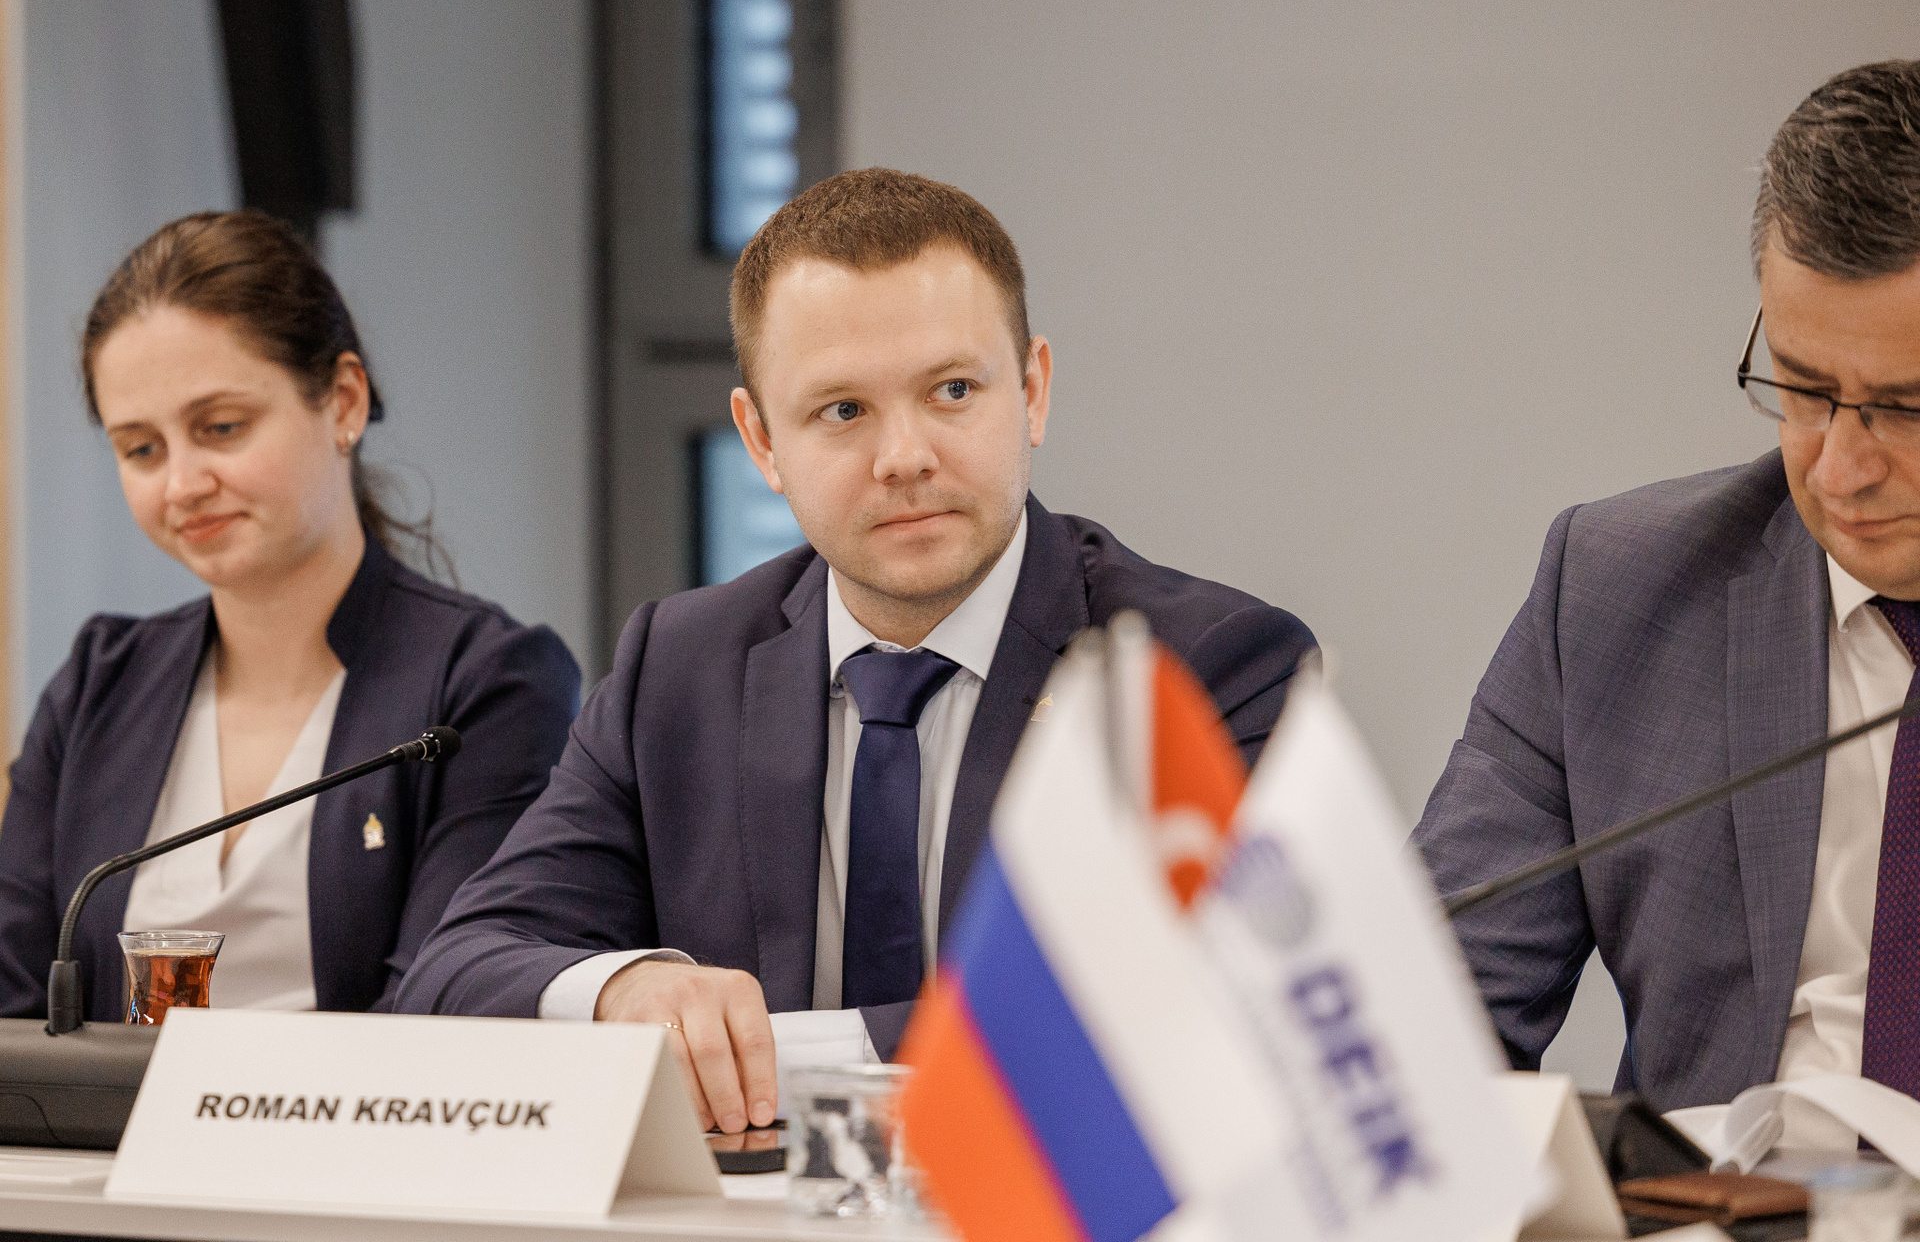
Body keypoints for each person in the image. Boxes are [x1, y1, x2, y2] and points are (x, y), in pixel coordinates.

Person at [398, 169, 1316, 1134]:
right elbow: (458, 969)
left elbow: (1191, 1007)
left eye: (953, 391)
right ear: (760, 440)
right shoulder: (680, 667)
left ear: (1033, 391)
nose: (904, 457)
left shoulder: (1205, 668)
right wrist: (626, 991)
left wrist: (772, 1052)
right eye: (843, 410)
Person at [1414, 62, 1920, 1138]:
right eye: (1802, 388)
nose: (1839, 469)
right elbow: (1428, 1015)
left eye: (1906, 409)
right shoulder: (1615, 593)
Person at [0, 210, 580, 1022]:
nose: (182, 484)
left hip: (362, 1109)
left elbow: (445, 1008)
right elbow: (15, 1003)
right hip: (99, 1116)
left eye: (221, 428)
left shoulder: (485, 683)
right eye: (141, 449)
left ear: (343, 401)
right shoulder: (100, 680)